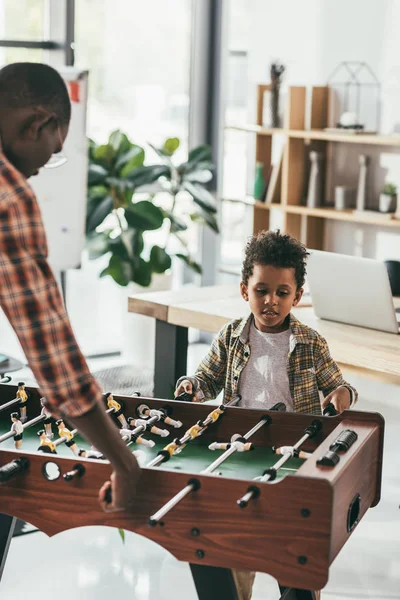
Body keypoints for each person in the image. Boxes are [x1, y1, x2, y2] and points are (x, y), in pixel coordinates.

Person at [174, 230, 358, 600]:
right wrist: (192, 384)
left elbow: (339, 386)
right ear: (245, 290)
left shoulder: (309, 342)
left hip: (294, 455)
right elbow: (207, 379)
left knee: (293, 549)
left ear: (297, 296)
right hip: (238, 453)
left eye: (282, 292)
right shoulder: (230, 336)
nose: (271, 300)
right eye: (261, 290)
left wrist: (342, 394)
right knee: (237, 545)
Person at [0, 62, 139, 512]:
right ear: (38, 123)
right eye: (53, 149)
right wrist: (123, 463)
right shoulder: (9, 195)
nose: (43, 167)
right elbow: (51, 351)